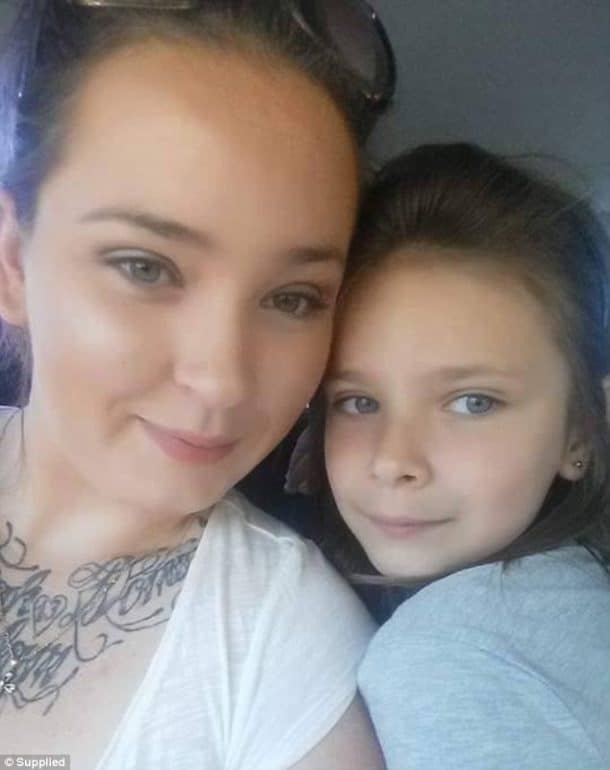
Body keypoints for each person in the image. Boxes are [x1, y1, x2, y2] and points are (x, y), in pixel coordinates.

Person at [0, 2, 393, 768]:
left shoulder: (287, 653)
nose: (221, 381)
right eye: (145, 267)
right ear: (13, 261)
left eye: (293, 299)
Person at [313, 143, 610, 768]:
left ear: (581, 430)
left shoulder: (444, 655)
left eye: (473, 402)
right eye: (358, 402)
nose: (394, 460)